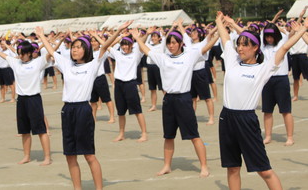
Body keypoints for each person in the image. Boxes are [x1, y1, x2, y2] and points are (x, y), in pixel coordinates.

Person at [215, 12, 308, 190]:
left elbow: (284, 48)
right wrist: (219, 21)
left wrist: (303, 29)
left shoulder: (263, 68)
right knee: (233, 167)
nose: (240, 48)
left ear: (256, 47)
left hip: (246, 121)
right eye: (239, 45)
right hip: (226, 118)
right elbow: (225, 37)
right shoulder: (233, 60)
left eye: (245, 45)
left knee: (264, 170)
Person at [36, 21, 132, 190]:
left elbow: (105, 47)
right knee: (70, 155)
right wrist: (41, 35)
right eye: (73, 47)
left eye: (79, 47)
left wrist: (118, 31)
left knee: (89, 155)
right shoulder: (66, 64)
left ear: (86, 50)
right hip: (67, 111)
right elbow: (51, 51)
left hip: (83, 110)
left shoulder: (93, 65)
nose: (74, 49)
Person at [131, 23, 218, 177]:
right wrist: (138, 39)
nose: (171, 46)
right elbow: (146, 50)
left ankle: (204, 166)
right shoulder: (163, 58)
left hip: (184, 99)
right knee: (168, 136)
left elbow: (205, 48)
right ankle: (166, 166)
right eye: (169, 43)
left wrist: (218, 34)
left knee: (194, 135)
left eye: (174, 43)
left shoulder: (189, 56)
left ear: (180, 44)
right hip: (169, 101)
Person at [0, 39, 52, 166]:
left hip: (34, 99)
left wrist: (43, 37)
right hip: (21, 100)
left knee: (40, 130)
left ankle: (47, 157)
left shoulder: (38, 62)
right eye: (19, 53)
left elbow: (50, 52)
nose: (20, 55)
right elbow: (4, 55)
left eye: (22, 53)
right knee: (24, 130)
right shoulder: (16, 62)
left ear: (30, 53)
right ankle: (26, 156)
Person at [108, 33, 147, 142]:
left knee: (137, 110)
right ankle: (121, 134)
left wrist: (144, 34)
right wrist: (119, 37)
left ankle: (144, 133)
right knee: (120, 112)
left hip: (130, 84)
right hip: (119, 85)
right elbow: (106, 45)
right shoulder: (118, 54)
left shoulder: (136, 54)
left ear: (131, 45)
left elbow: (141, 44)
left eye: (127, 45)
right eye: (123, 45)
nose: (124, 47)